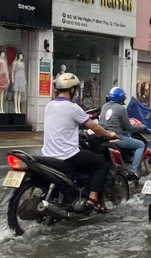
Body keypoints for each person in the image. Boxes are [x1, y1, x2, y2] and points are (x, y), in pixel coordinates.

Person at [42, 72, 117, 210]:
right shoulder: (73, 108)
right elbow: (94, 127)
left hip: (48, 154)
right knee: (101, 164)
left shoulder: (49, 106)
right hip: (67, 155)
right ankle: (92, 199)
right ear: (72, 90)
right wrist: (109, 134)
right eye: (75, 89)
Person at [99, 86, 144, 175]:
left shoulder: (104, 106)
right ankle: (133, 171)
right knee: (140, 145)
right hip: (116, 138)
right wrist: (142, 127)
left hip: (104, 136)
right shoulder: (121, 108)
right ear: (121, 98)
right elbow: (129, 128)